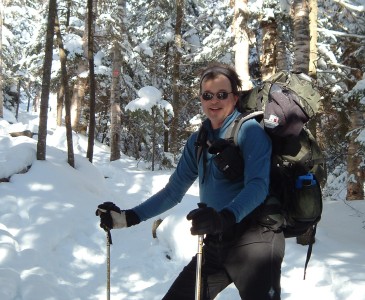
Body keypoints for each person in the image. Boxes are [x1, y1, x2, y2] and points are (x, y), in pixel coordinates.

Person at [96, 63, 285, 300]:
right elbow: (173, 192)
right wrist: (128, 217)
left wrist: (224, 217)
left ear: (235, 98)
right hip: (217, 240)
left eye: (222, 95)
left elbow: (258, 186)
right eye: (208, 95)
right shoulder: (198, 141)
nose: (214, 101)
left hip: (256, 239)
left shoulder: (249, 132)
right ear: (201, 99)